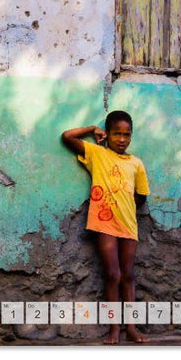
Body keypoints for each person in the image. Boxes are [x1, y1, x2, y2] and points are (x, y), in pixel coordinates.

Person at [62, 111, 150, 344]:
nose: (121, 139)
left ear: (131, 136)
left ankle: (131, 327)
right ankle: (114, 329)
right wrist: (92, 129)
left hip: (128, 224)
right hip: (104, 223)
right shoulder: (97, 154)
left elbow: (141, 197)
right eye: (116, 134)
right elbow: (67, 136)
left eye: (126, 135)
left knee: (128, 275)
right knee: (113, 274)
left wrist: (126, 204)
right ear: (108, 134)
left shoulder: (136, 164)